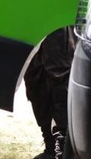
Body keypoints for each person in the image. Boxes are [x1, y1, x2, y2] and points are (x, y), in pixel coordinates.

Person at [25, 27, 76, 159]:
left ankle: (64, 149)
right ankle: (51, 147)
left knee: (60, 76)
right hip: (33, 21)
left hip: (60, 21)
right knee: (34, 77)